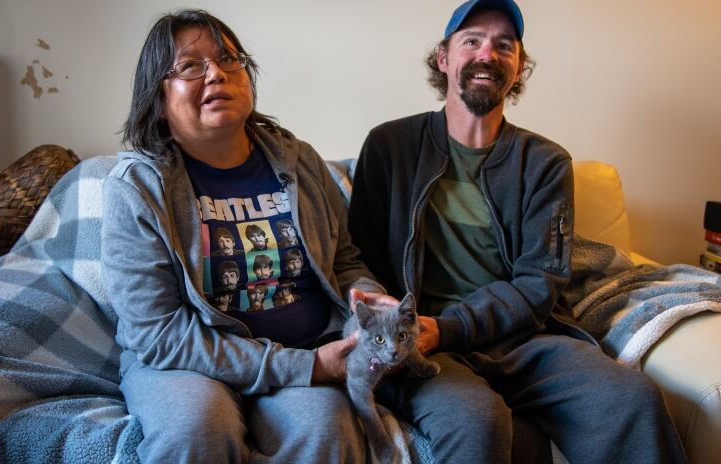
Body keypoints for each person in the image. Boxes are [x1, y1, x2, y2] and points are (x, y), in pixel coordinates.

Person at [348, 1, 687, 462]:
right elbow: (359, 255)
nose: (488, 53)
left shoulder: (545, 162)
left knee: (631, 399)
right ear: (444, 59)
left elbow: (539, 282)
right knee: (477, 420)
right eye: (472, 41)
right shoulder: (390, 147)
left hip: (522, 339)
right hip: (419, 345)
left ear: (518, 67)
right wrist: (378, 308)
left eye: (504, 45)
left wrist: (449, 328)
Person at [101, 9, 392, 463]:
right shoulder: (136, 188)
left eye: (229, 59)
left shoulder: (299, 161)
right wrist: (303, 368)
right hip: (187, 365)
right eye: (191, 66)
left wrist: (370, 301)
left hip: (305, 343)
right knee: (195, 431)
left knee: (328, 431)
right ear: (157, 98)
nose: (217, 73)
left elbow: (344, 263)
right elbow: (157, 332)